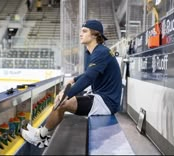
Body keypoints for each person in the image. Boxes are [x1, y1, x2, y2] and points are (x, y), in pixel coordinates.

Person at [21, 19, 122, 148]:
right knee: (62, 101)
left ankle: (39, 137)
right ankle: (42, 133)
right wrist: (74, 80)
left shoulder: (101, 52)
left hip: (107, 103)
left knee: (62, 103)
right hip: (103, 98)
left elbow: (89, 78)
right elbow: (89, 73)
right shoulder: (98, 51)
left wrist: (66, 94)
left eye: (84, 31)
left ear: (96, 35)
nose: (81, 34)